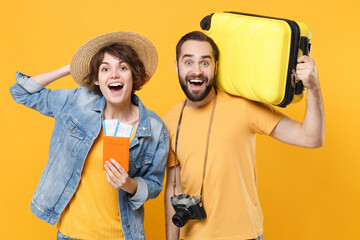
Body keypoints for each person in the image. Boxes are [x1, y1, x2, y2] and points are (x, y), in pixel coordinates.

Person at [163, 31, 324, 240]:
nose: (196, 71)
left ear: (216, 67)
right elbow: (172, 190)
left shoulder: (243, 106)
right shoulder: (168, 120)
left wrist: (313, 87)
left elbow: (311, 138)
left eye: (205, 63)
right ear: (176, 66)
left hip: (244, 235)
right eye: (188, 62)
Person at [10, 31, 169, 240]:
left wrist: (128, 184)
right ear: (96, 79)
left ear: (134, 75)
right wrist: (70, 68)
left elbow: (155, 185)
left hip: (123, 236)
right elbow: (21, 92)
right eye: (105, 69)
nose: (114, 75)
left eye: (123, 67)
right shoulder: (78, 103)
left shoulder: (154, 129)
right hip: (71, 235)